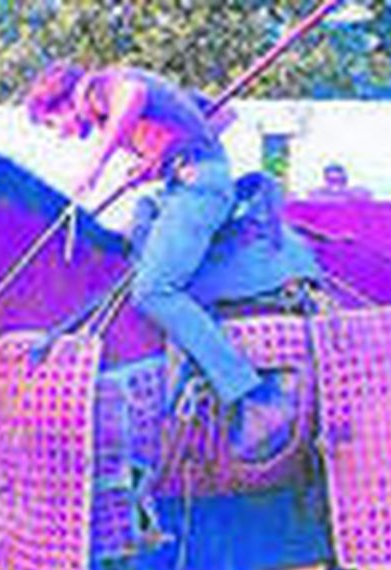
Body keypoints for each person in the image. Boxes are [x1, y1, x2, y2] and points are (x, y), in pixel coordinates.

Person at [23, 61, 299, 459]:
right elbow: (223, 115)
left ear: (64, 104)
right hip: (181, 183)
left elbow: (132, 96)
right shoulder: (145, 92)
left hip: (198, 188)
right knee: (138, 235)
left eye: (54, 124)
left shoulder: (100, 88)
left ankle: (254, 396)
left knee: (153, 290)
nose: (62, 135)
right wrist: (164, 154)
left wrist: (97, 165)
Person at [302, 163, 373, 202]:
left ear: (344, 179)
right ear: (326, 180)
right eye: (332, 180)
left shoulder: (357, 192)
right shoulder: (317, 193)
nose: (335, 184)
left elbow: (366, 197)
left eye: (338, 180)